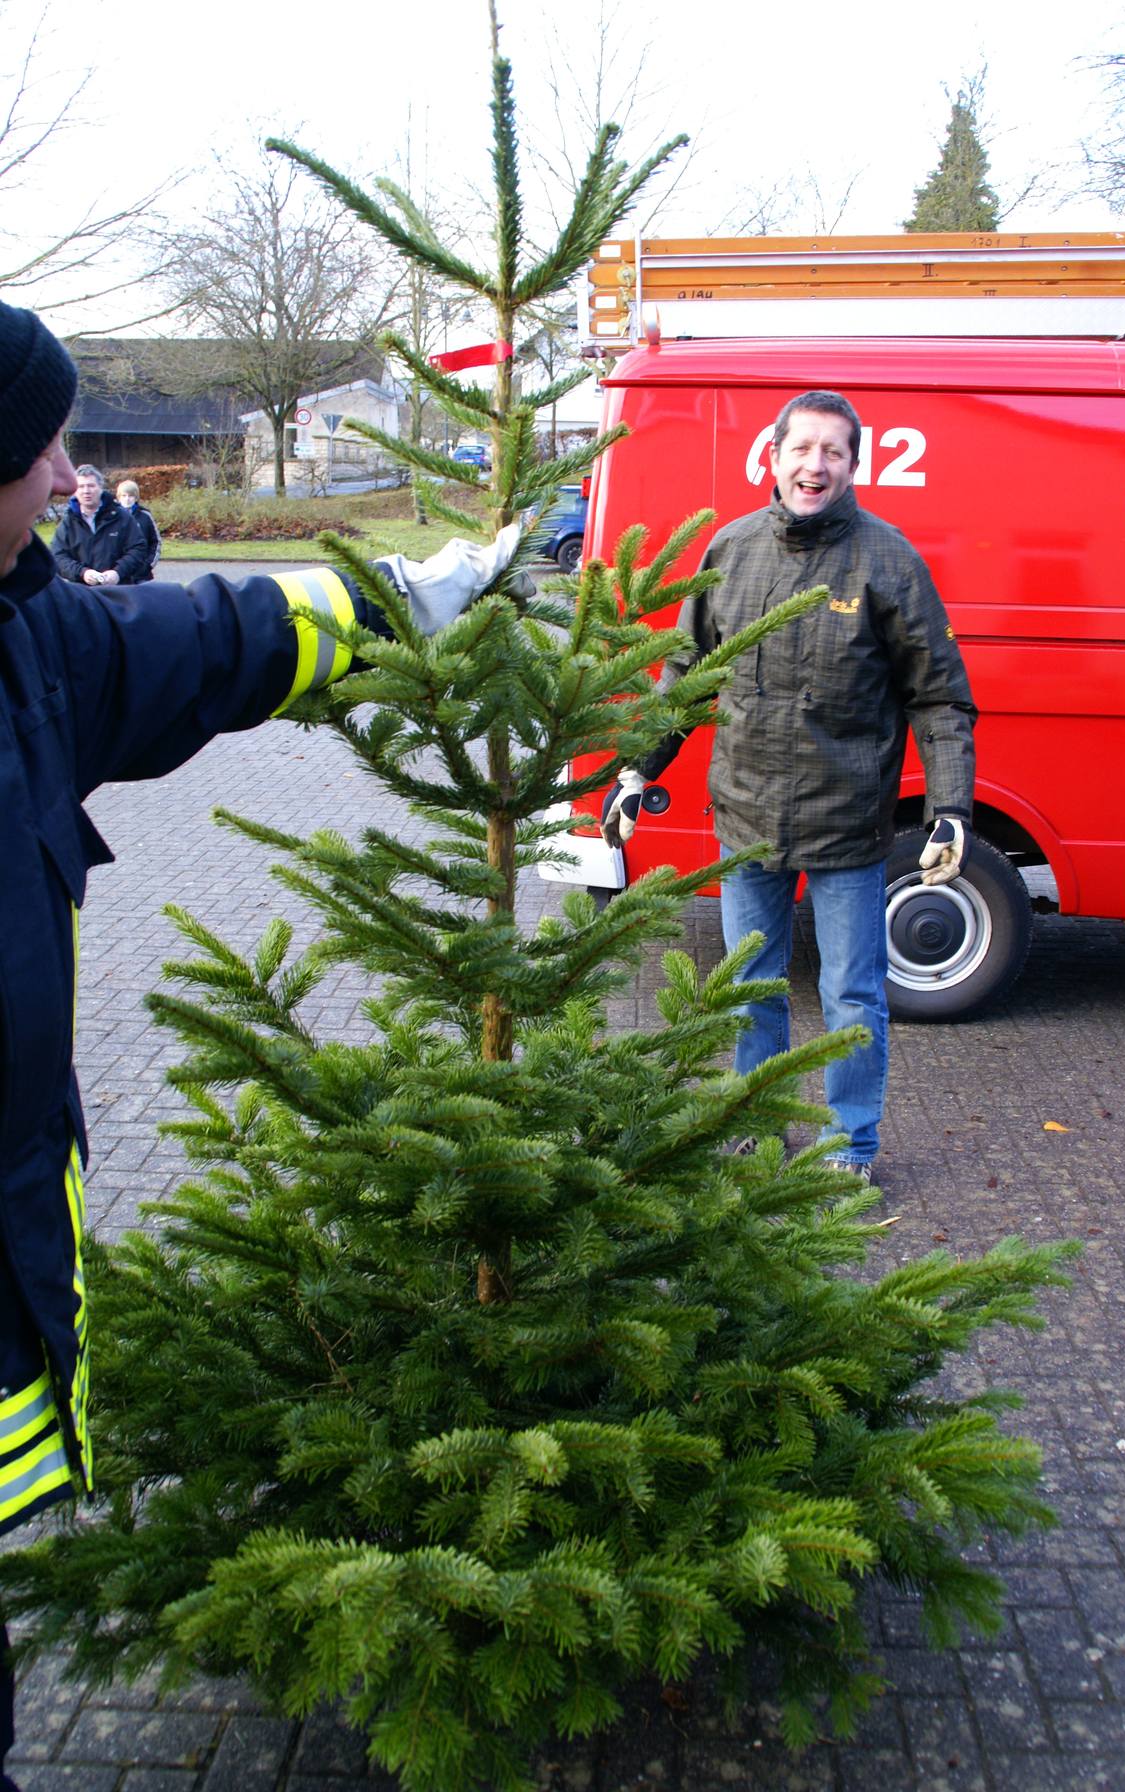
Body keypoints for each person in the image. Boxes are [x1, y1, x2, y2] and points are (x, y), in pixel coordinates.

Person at [0, 299, 522, 1791]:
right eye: (34, 443)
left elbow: (202, 637)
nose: (62, 468)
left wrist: (388, 604)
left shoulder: (27, 631)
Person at [602, 390, 976, 1180]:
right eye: (802, 448)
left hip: (846, 828)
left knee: (852, 999)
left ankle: (850, 1145)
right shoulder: (730, 551)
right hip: (745, 817)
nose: (816, 464)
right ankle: (755, 1122)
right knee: (750, 988)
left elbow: (938, 695)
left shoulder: (889, 561)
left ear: (853, 465)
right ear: (773, 457)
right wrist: (639, 766)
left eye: (834, 451)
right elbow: (687, 676)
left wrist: (950, 809)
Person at [50, 463, 148, 586]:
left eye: (91, 486)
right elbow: (58, 556)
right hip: (82, 593)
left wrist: (118, 572)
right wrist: (82, 573)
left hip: (119, 591)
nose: (86, 491)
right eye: (81, 486)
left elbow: (138, 549)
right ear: (75, 491)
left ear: (100, 488)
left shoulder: (121, 517)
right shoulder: (68, 522)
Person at [115, 477, 161, 580]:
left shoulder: (145, 516)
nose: (127, 499)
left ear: (136, 498)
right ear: (119, 497)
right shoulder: (111, 517)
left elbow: (156, 542)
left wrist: (148, 565)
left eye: (131, 496)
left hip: (142, 574)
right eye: (124, 495)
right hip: (118, 573)